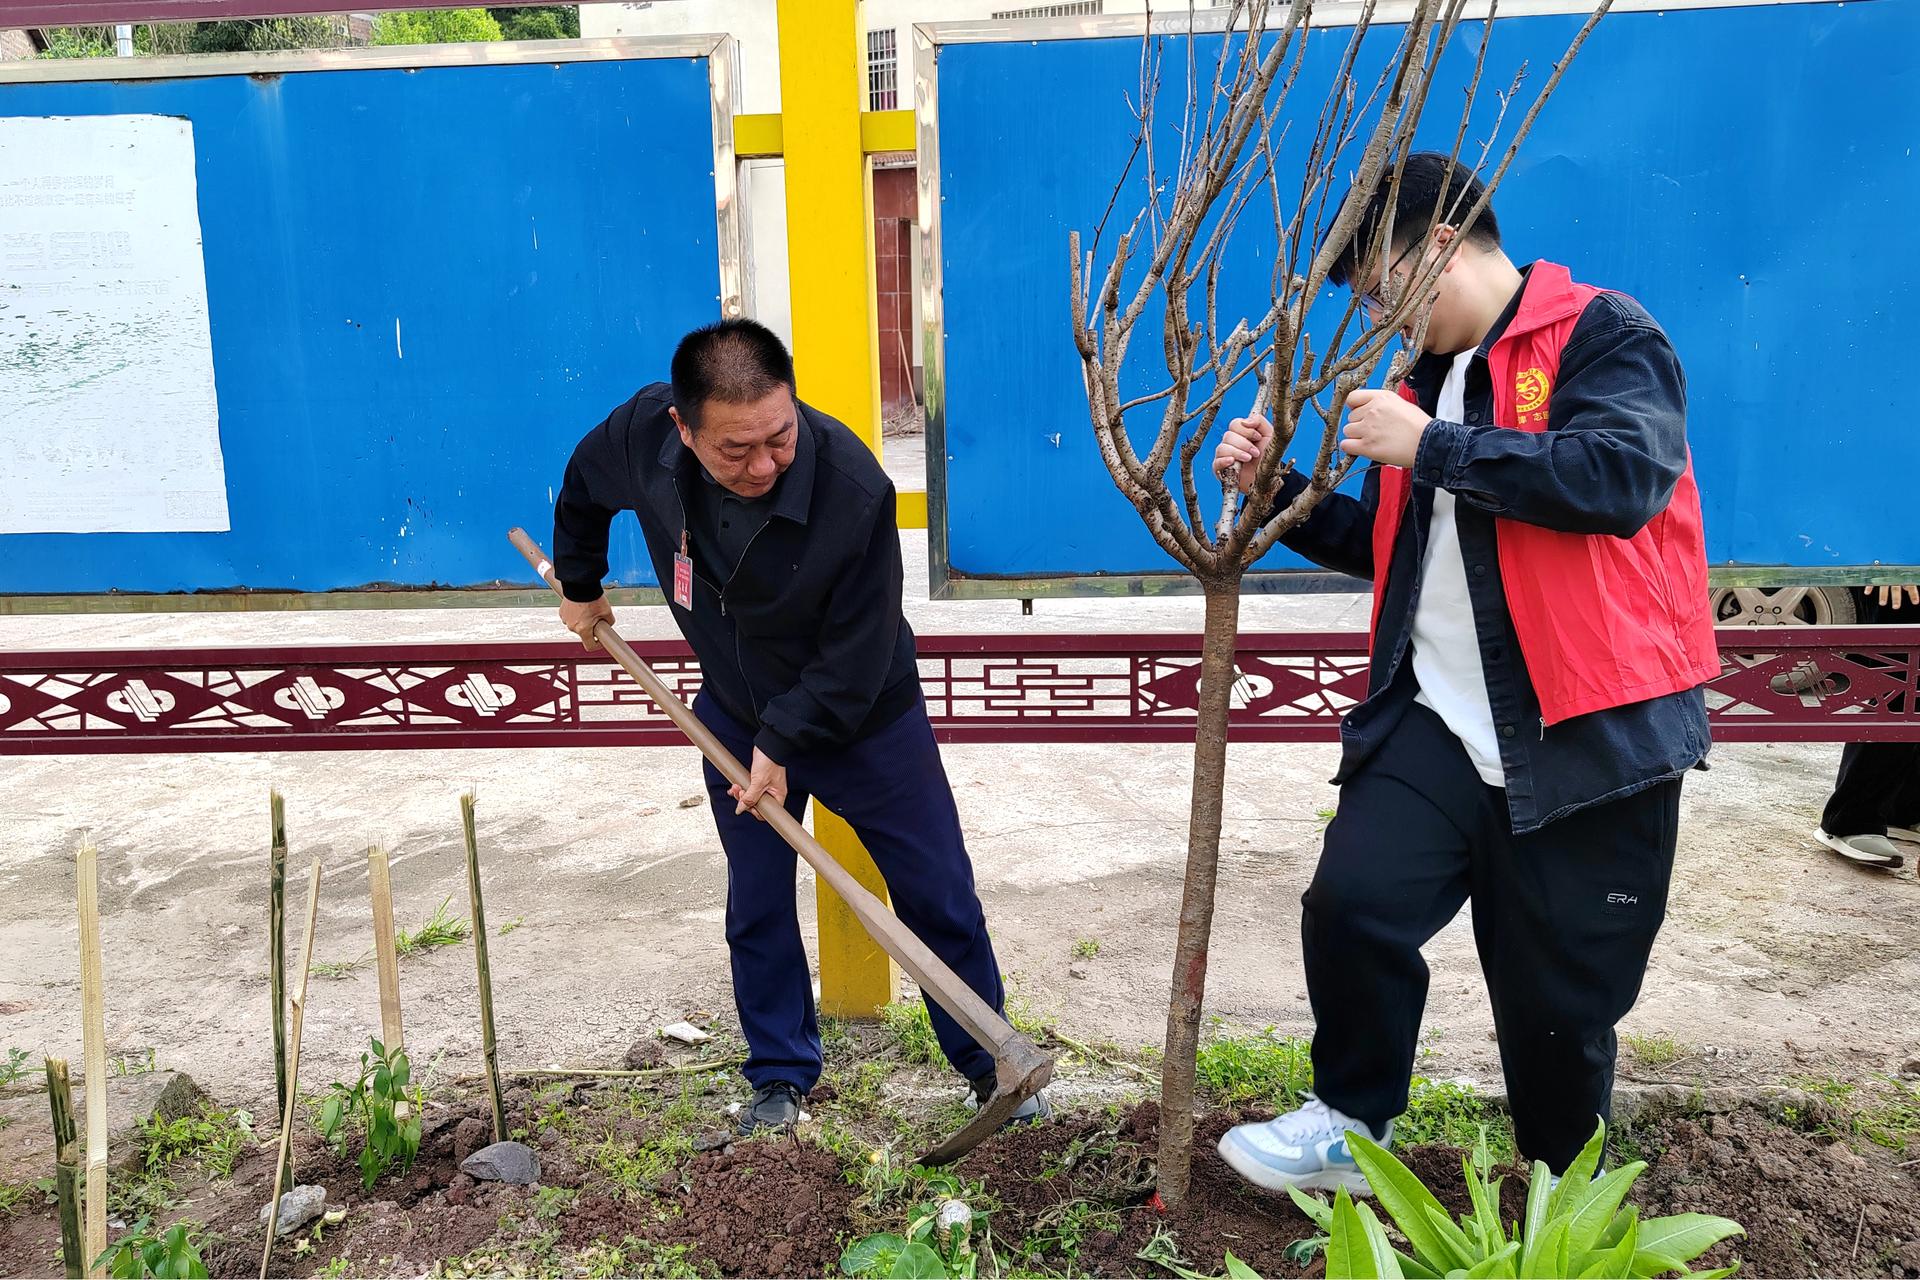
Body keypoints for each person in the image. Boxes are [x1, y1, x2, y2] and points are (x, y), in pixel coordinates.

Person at [1211, 153, 1717, 1193]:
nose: (1379, 318)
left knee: (1558, 1008)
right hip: (1437, 712)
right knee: (1352, 901)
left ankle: (1561, 1198)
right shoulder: (1421, 386)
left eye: (1379, 288)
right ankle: (1353, 1121)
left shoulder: (1603, 334)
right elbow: (1402, 545)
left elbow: (1619, 477)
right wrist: (1281, 490)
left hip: (1585, 727)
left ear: (1437, 245)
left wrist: (1435, 444)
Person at [549, 318, 1046, 1133]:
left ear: (792, 404)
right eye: (734, 451)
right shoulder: (642, 435)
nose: (764, 464)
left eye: (778, 438)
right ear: (682, 426)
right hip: (735, 712)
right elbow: (583, 481)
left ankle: (992, 1068)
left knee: (937, 892)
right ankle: (779, 1076)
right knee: (759, 901)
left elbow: (857, 650)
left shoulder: (851, 485)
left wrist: (781, 743)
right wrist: (579, 580)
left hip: (864, 719)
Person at [1813, 584, 1920, 868]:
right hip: (1902, 564)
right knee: (1899, 684)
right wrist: (1894, 555)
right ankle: (1851, 819)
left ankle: (1905, 807)